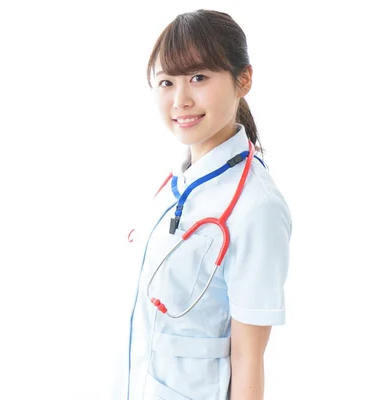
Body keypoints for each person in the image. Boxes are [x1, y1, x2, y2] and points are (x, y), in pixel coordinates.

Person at [123, 9, 292, 400]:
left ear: (243, 79)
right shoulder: (178, 182)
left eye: (198, 77)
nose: (181, 100)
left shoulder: (257, 207)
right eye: (167, 82)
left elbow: (249, 359)